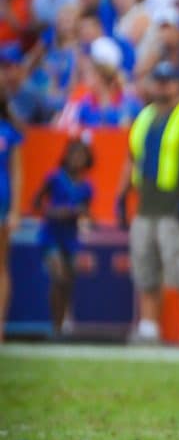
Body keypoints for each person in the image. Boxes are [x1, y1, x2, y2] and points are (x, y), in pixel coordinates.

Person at [116, 61, 179, 346]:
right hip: (146, 207)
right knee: (146, 268)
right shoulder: (144, 117)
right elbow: (133, 157)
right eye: (158, 80)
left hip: (174, 206)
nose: (162, 86)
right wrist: (122, 195)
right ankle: (149, 326)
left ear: (178, 85)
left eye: (168, 81)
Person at [32, 139, 93, 337]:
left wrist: (79, 213)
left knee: (68, 281)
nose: (77, 160)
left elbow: (86, 212)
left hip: (71, 238)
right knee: (58, 277)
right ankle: (55, 325)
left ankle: (64, 322)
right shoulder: (54, 178)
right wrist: (52, 212)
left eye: (81, 156)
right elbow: (37, 202)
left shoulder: (87, 187)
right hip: (51, 235)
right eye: (74, 155)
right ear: (66, 156)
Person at [133, 7, 179, 102]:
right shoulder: (159, 51)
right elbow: (138, 75)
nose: (164, 33)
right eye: (161, 29)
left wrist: (170, 104)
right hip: (164, 101)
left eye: (168, 28)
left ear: (178, 28)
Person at [0, 95, 23, 344]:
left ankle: (0, 325)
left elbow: (17, 173)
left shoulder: (8, 130)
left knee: (1, 265)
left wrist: (16, 210)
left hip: (1, 204)